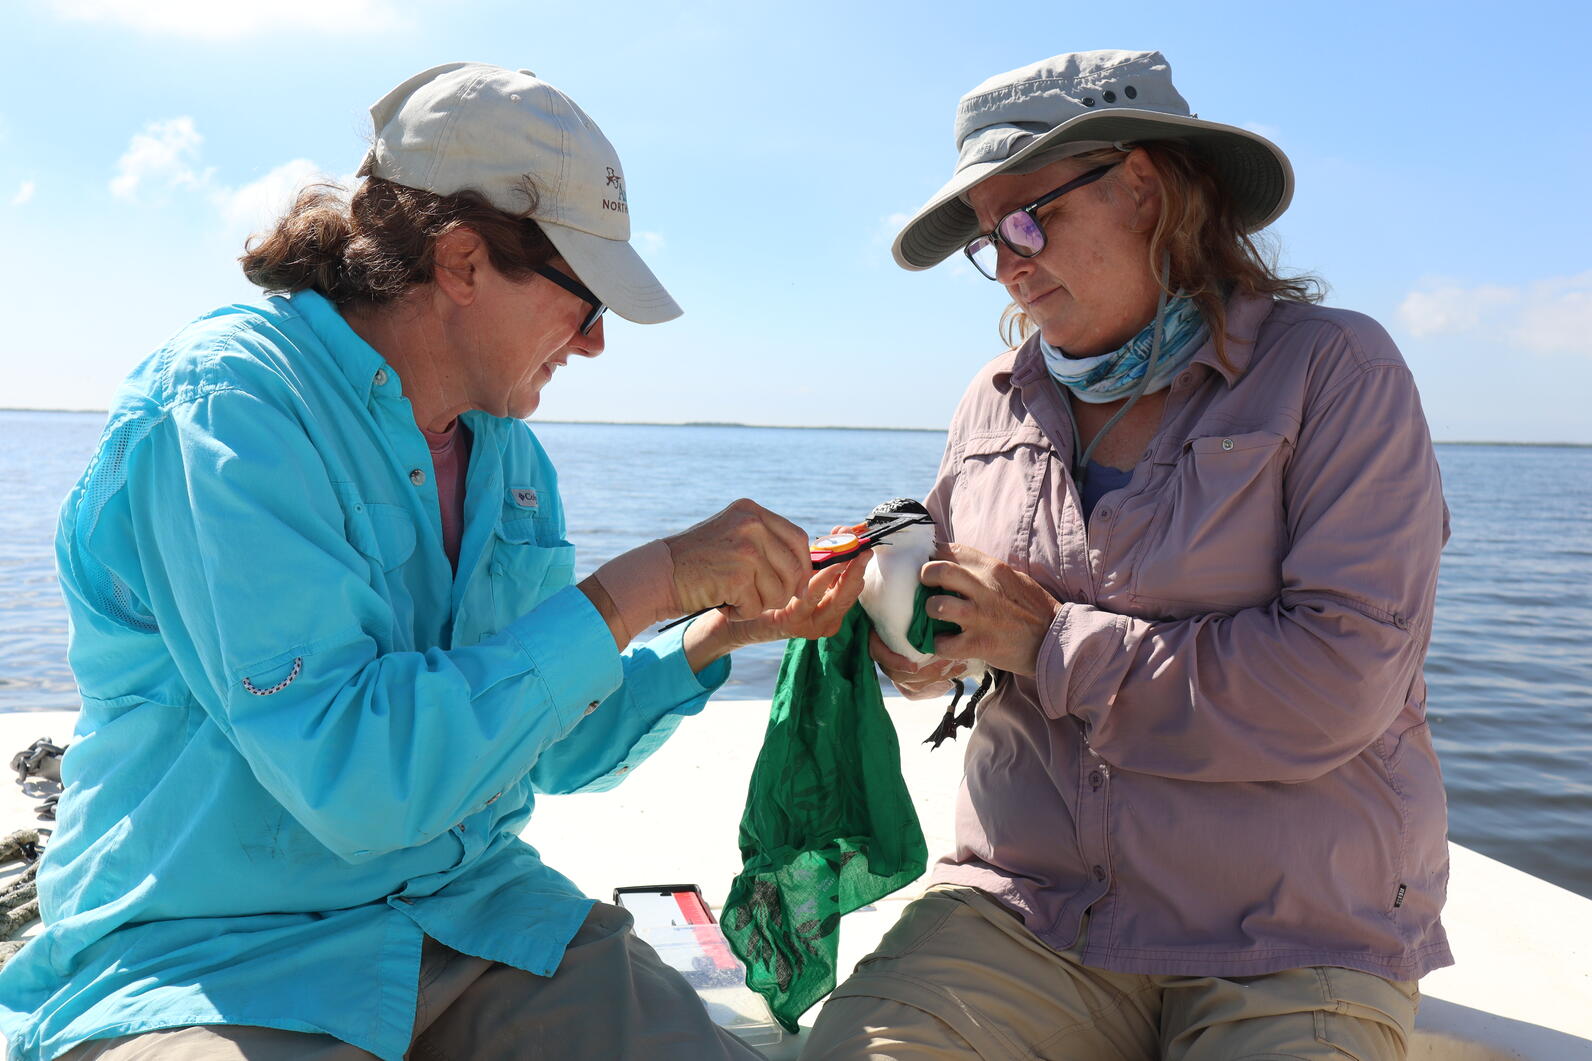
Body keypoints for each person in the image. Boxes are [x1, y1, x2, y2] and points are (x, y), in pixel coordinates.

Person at [0, 63, 866, 1061]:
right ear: (460, 261)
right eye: (586, 304)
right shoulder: (228, 410)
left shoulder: (509, 453)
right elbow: (360, 780)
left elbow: (554, 744)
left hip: (467, 917)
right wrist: (647, 581)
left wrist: (714, 633)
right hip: (205, 955)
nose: (593, 346)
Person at [802, 49, 1450, 1061]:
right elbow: (969, 646)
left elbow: (1338, 679)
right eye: (988, 241)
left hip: (1296, 932)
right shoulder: (991, 397)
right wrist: (912, 641)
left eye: (1026, 219)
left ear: (1143, 189)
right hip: (1030, 915)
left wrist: (1050, 640)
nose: (1009, 264)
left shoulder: (1335, 368)